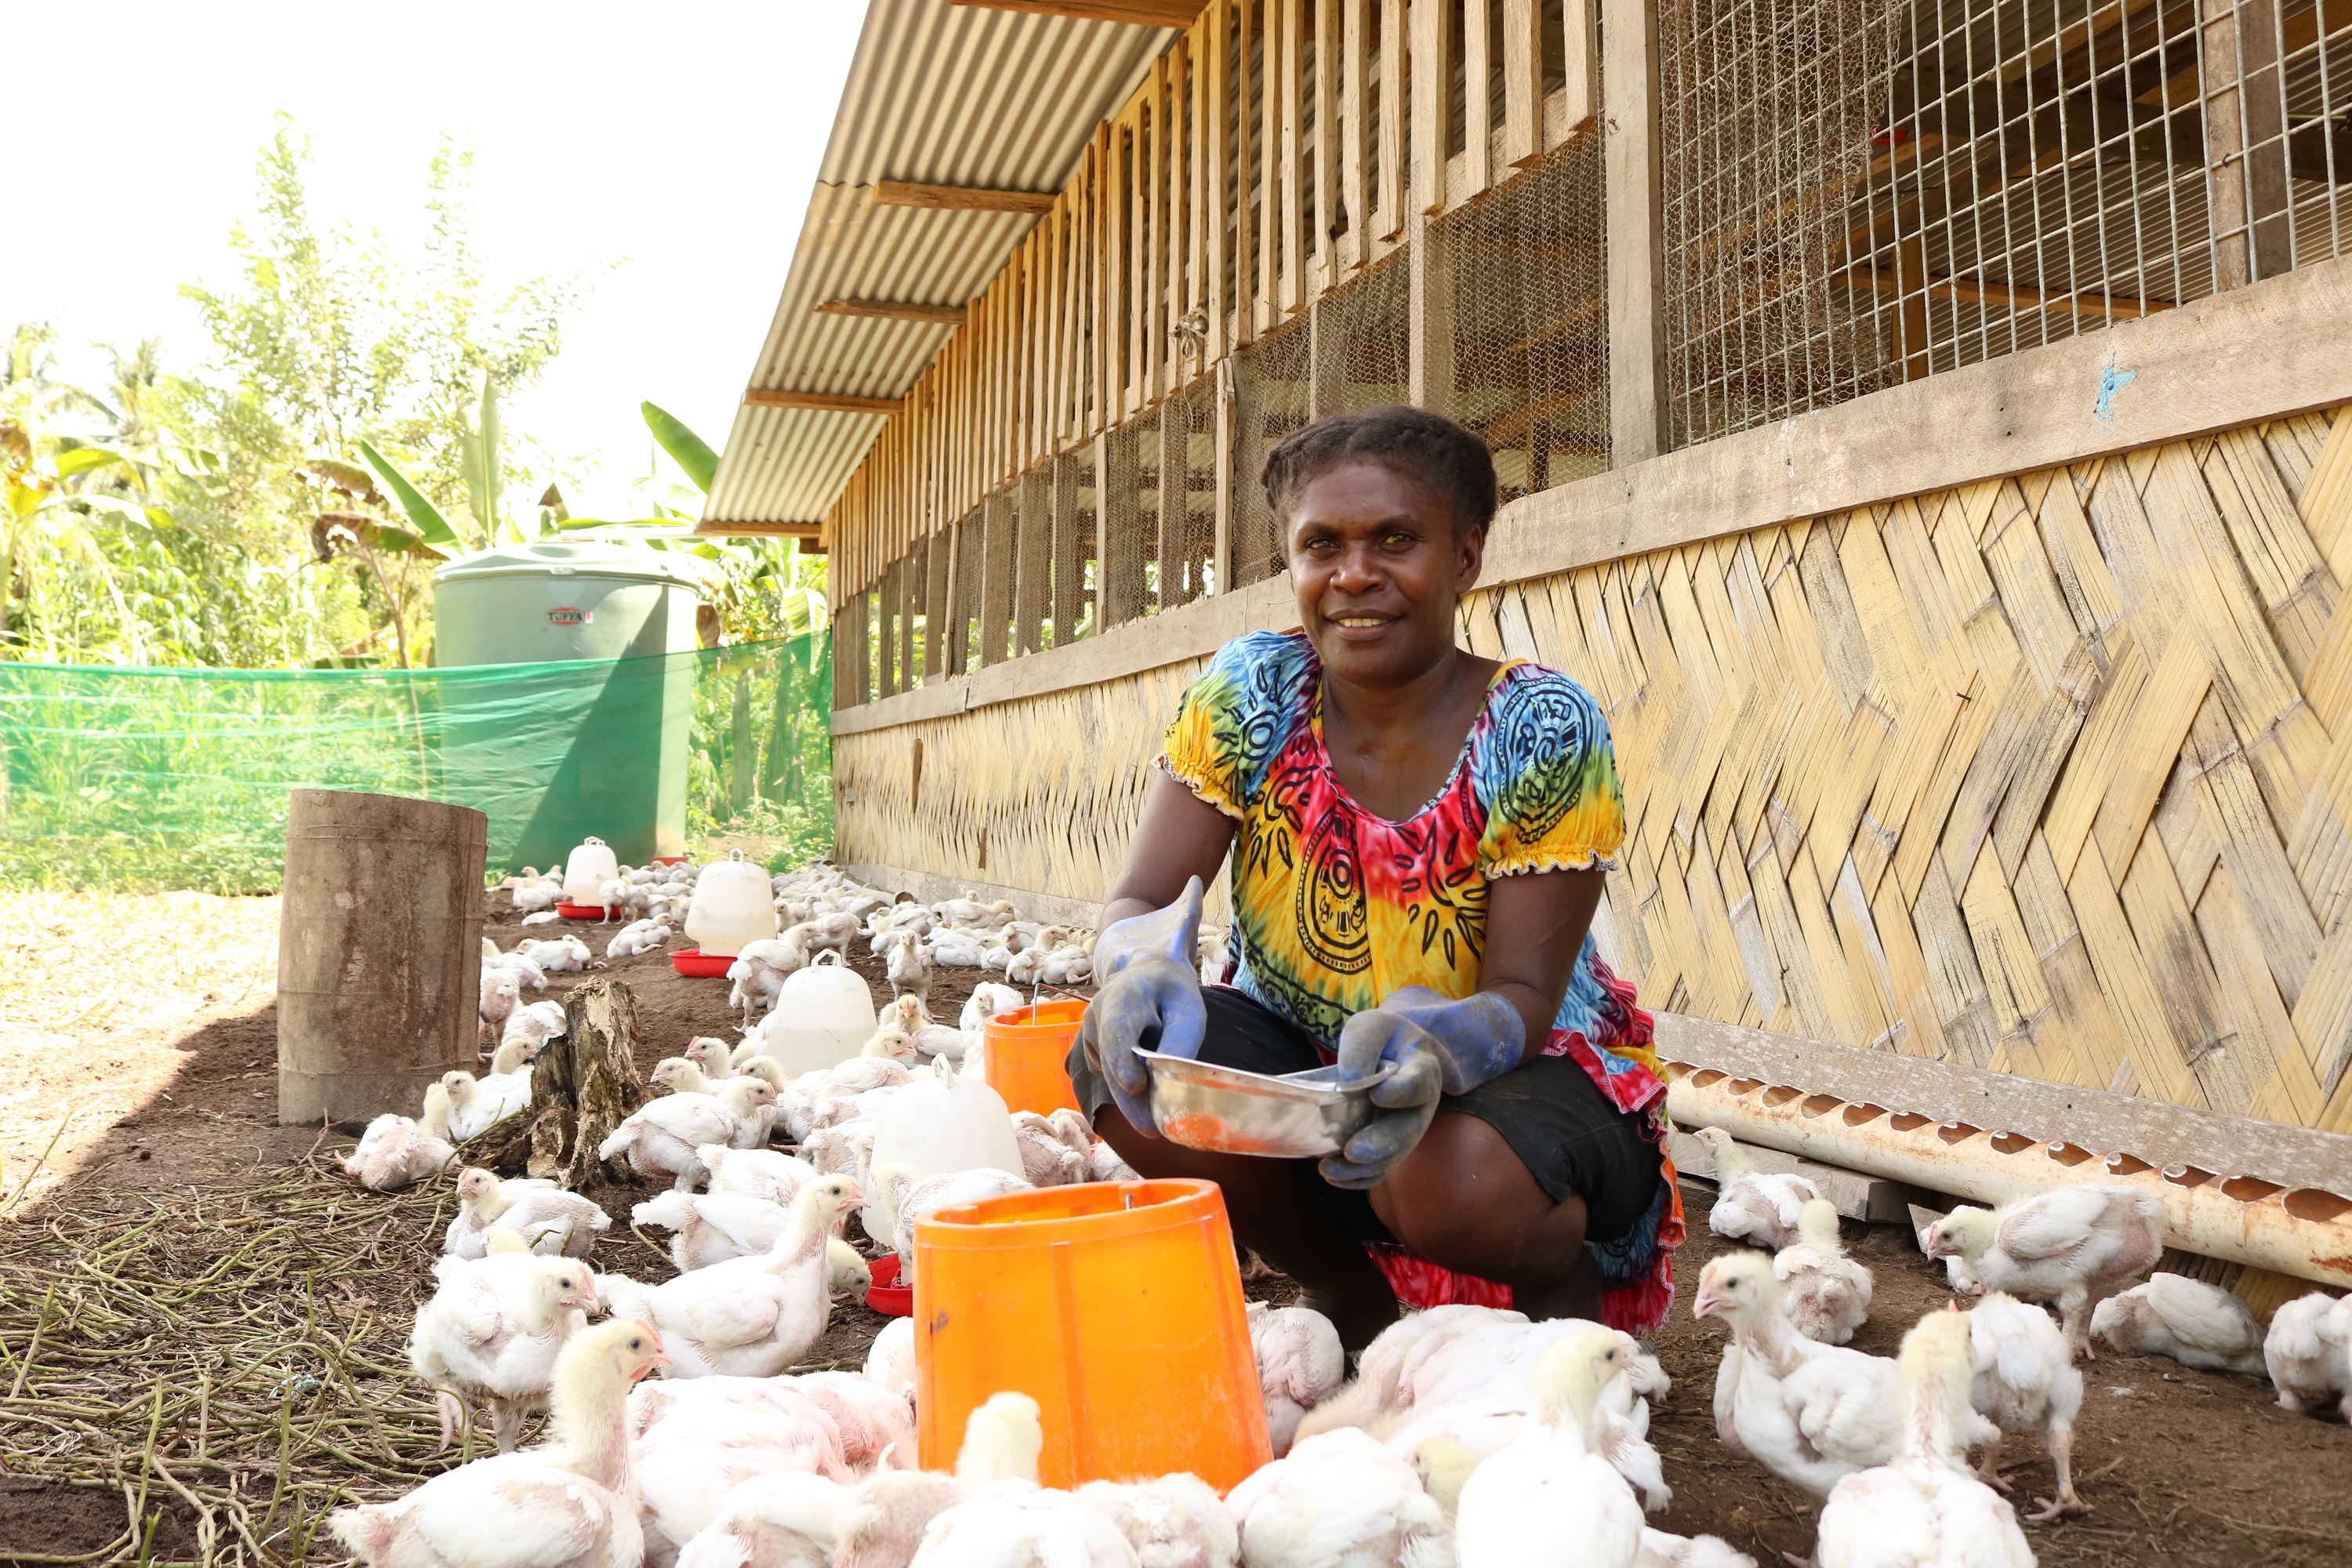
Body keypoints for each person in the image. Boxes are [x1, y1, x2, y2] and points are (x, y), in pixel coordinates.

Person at [1068, 405, 1682, 1353]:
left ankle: (1564, 1296)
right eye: (1324, 545)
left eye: (1396, 538)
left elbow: (1523, 996)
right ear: (1293, 563)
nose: (1355, 574)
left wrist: (1439, 1041)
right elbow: (1144, 896)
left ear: (1466, 556)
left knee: (1443, 1170)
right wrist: (1136, 963)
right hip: (1307, 1056)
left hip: (1521, 1069)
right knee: (1122, 1067)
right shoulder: (1255, 694)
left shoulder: (1541, 725)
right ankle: (1346, 1295)